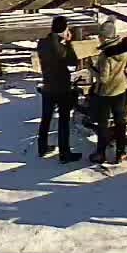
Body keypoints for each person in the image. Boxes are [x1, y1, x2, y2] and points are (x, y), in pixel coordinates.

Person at [89, 18, 127, 165]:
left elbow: (104, 79)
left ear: (105, 36)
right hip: (122, 89)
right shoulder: (123, 50)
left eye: (100, 35)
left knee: (102, 124)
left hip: (106, 93)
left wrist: (92, 69)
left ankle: (100, 153)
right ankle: (121, 152)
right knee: (120, 122)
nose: (98, 38)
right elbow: (126, 66)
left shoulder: (105, 56)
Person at [34, 15, 81, 161]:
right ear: (64, 30)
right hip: (62, 88)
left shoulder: (42, 43)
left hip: (47, 86)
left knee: (46, 119)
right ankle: (64, 153)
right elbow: (73, 62)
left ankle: (42, 147)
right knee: (63, 121)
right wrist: (68, 43)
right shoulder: (62, 48)